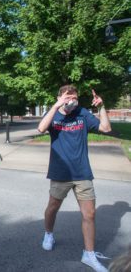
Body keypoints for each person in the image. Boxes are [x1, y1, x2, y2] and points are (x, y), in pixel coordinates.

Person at [37, 84, 112, 272]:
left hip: (82, 172)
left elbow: (106, 128)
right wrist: (56, 106)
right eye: (67, 97)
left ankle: (89, 254)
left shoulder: (82, 113)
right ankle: (48, 233)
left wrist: (101, 107)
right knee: (52, 208)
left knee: (90, 214)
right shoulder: (54, 114)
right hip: (60, 172)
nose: (71, 100)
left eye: (74, 97)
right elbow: (40, 128)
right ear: (59, 97)